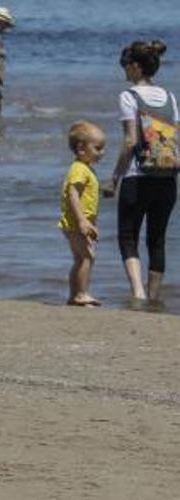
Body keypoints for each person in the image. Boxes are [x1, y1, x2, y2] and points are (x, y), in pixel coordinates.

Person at [102, 40, 178, 306]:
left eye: (126, 67)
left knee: (128, 236)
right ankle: (154, 297)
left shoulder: (129, 96)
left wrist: (114, 178)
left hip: (138, 177)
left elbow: (130, 142)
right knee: (157, 239)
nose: (124, 72)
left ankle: (138, 293)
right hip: (168, 178)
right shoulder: (170, 97)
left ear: (135, 67)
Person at [60, 120, 105, 307]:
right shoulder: (79, 169)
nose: (102, 153)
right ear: (81, 149)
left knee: (80, 258)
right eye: (98, 148)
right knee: (87, 257)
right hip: (76, 222)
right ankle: (81, 293)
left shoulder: (85, 168)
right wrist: (81, 221)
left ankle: (74, 295)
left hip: (79, 222)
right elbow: (73, 194)